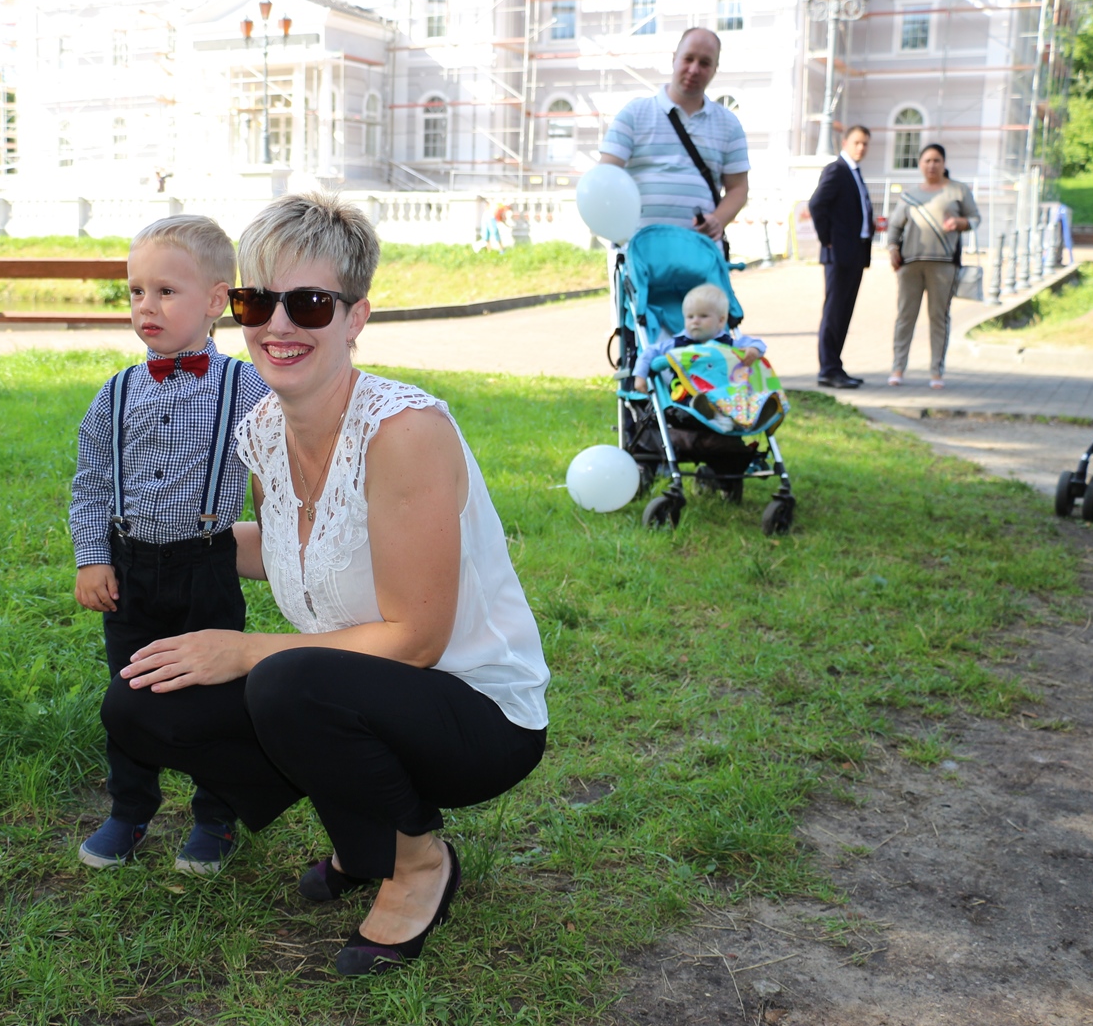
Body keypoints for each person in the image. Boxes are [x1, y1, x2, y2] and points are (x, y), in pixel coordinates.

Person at [100, 192, 550, 976]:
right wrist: (153, 549)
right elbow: (289, 548)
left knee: (288, 680)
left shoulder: (404, 431)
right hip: (348, 690)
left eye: (308, 304)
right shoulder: (262, 430)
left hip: (475, 714)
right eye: (256, 302)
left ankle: (417, 861)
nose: (278, 325)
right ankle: (362, 829)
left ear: (354, 317)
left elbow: (416, 639)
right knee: (140, 703)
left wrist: (244, 649)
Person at [69, 215, 270, 875]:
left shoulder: (246, 387)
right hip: (130, 568)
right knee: (128, 691)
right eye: (135, 291)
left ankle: (216, 815)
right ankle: (130, 808)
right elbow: (92, 480)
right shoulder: (116, 391)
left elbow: (281, 460)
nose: (145, 307)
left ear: (215, 300)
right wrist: (92, 556)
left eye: (165, 291)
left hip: (204, 564)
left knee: (214, 695)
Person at [597, 27, 749, 244]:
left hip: (700, 250)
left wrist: (717, 220)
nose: (694, 69)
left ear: (715, 69)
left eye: (705, 63)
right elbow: (605, 175)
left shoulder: (729, 124)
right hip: (639, 250)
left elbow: (739, 188)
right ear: (674, 58)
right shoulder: (634, 114)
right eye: (688, 58)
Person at [886, 144, 980, 389]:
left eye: (936, 160)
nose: (932, 165)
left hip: (944, 265)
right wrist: (893, 248)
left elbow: (975, 219)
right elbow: (895, 226)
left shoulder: (958, 190)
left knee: (939, 317)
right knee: (905, 316)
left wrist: (960, 222)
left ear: (944, 163)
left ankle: (936, 371)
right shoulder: (910, 194)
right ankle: (898, 368)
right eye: (927, 160)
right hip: (910, 264)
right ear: (920, 164)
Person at [632, 282, 775, 430]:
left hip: (726, 394)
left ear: (721, 320)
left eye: (703, 316)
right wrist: (640, 376)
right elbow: (649, 352)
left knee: (741, 397)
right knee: (694, 401)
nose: (695, 321)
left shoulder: (727, 343)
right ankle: (711, 414)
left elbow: (758, 343)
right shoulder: (678, 343)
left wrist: (753, 350)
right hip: (689, 394)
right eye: (690, 317)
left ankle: (755, 415)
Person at [807, 125, 876, 389]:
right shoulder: (837, 169)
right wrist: (828, 239)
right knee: (835, 311)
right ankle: (828, 369)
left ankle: (835, 366)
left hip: (856, 252)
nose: (861, 148)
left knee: (844, 312)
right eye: (857, 142)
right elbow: (817, 204)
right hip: (840, 253)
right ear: (845, 142)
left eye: (865, 143)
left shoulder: (854, 172)